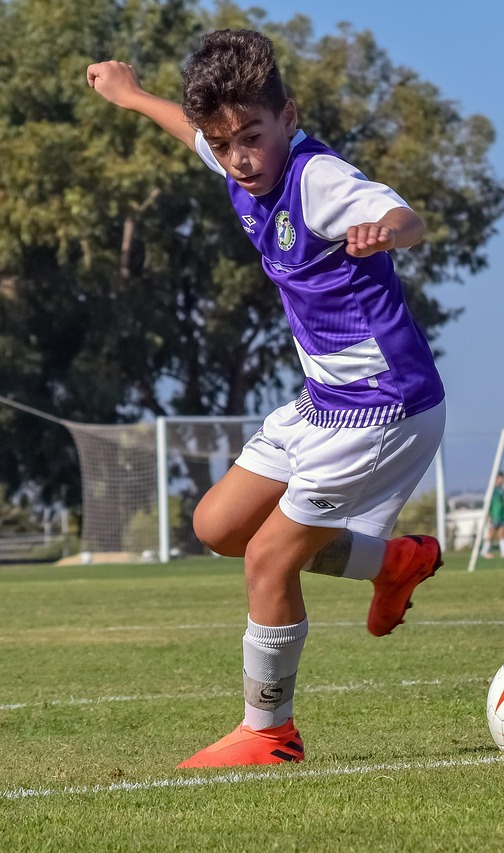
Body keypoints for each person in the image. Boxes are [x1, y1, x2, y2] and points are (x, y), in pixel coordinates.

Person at [87, 31, 446, 768]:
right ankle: (392, 562)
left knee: (268, 558)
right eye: (224, 145)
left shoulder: (316, 180)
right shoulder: (234, 160)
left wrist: (388, 232)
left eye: (251, 137)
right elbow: (187, 129)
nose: (238, 157)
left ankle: (269, 731)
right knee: (219, 525)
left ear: (290, 115)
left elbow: (404, 213)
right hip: (323, 402)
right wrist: (129, 95)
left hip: (386, 406)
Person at [481, 472, 504, 559]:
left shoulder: (503, 490)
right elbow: (487, 503)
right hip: (494, 515)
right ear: (496, 479)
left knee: (502, 533)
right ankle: (484, 551)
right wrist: (488, 515)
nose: (501, 480)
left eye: (502, 478)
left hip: (502, 515)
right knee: (491, 534)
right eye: (500, 478)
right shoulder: (491, 490)